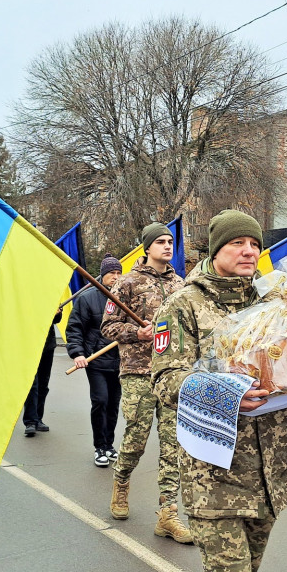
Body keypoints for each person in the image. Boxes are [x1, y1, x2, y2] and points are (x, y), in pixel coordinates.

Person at [152, 210, 287, 572]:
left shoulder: (275, 304)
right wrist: (225, 388)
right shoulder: (182, 305)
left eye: (253, 244)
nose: (245, 250)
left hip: (268, 472)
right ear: (214, 249)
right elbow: (166, 381)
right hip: (213, 475)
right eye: (235, 242)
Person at [100, 222, 190, 543]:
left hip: (171, 375)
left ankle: (168, 513)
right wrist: (136, 333)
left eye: (170, 241)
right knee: (136, 439)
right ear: (147, 248)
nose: (168, 246)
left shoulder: (181, 285)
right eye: (161, 242)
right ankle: (121, 481)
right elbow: (108, 328)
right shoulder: (126, 284)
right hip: (138, 372)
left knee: (172, 445)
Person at [66, 255, 122, 467]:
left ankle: (109, 445)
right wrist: (77, 353)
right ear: (102, 275)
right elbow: (75, 328)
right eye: (111, 274)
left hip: (119, 362)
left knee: (114, 404)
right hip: (95, 360)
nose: (115, 278)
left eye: (118, 273)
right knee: (101, 401)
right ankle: (99, 447)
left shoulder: (125, 298)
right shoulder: (87, 298)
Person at [22, 307, 63, 437]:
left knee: (43, 384)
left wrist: (57, 313)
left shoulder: (51, 294)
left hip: (47, 345)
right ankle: (30, 421)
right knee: (32, 385)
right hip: (29, 345)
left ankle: (38, 418)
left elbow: (56, 320)